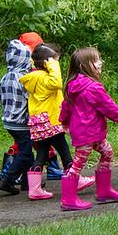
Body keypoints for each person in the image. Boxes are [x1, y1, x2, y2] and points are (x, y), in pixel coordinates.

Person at [59, 47, 118, 211]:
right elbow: (108, 106)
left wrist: (64, 121)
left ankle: (104, 191)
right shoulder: (93, 87)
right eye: (96, 60)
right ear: (84, 66)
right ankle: (68, 199)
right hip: (88, 134)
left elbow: (66, 106)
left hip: (91, 133)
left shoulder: (73, 85)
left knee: (107, 152)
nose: (100, 63)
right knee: (78, 164)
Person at [19, 43, 93, 200]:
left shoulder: (34, 77)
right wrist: (52, 64)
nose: (57, 64)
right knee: (64, 150)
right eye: (56, 60)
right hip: (50, 121)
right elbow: (57, 83)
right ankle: (76, 180)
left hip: (40, 123)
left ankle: (34, 189)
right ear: (47, 62)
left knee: (41, 154)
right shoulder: (43, 78)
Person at [0, 39, 34, 194]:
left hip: (8, 121)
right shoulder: (23, 79)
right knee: (25, 152)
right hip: (20, 122)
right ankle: (7, 180)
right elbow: (30, 99)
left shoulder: (5, 77)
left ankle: (28, 182)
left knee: (27, 151)